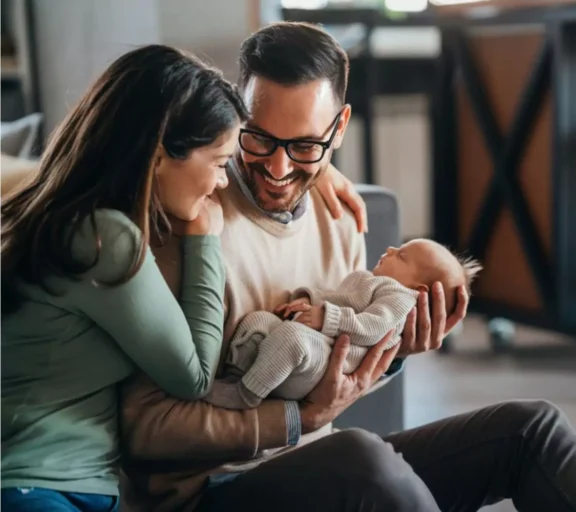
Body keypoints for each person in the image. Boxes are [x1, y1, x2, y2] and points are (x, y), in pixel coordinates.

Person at [119, 23, 576, 512]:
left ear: (339, 128)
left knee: (531, 430)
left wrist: (392, 354)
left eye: (303, 145)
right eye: (260, 138)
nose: (277, 170)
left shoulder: (339, 217)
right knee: (363, 459)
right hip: (212, 489)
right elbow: (145, 428)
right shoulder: (189, 218)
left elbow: (326, 368)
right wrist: (297, 421)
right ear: (237, 111)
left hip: (317, 460)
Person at [0, 44, 368, 512]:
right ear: (159, 154)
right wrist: (204, 240)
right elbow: (192, 376)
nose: (221, 181)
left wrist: (318, 163)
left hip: (76, 485)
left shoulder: (76, 220)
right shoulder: (106, 241)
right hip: (39, 486)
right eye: (218, 162)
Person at [203, 239, 482, 409]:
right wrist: (309, 299)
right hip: (320, 345)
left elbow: (374, 327)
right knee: (260, 321)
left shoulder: (400, 298)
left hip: (330, 360)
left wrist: (327, 317)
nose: (391, 249)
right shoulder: (369, 281)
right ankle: (237, 374)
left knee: (292, 338)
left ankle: (245, 395)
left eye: (402, 255)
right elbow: (339, 298)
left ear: (419, 291)